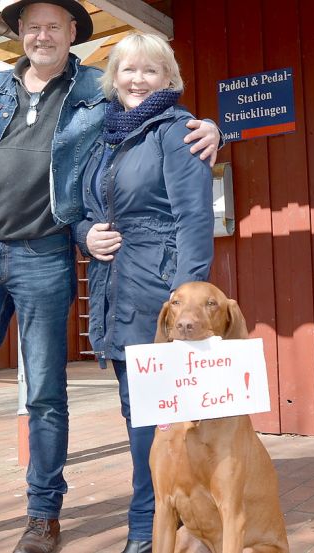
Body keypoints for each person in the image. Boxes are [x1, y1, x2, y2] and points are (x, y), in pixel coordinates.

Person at [0, 1, 221, 551]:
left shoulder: (94, 92)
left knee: (45, 394)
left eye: (53, 26)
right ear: (19, 35)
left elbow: (152, 118)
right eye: (31, 27)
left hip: (43, 258)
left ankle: (43, 514)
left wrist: (215, 129)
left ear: (73, 32)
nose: (41, 35)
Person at [71, 33, 215, 553]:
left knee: (158, 415)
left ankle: (147, 526)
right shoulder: (105, 140)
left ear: (168, 79)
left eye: (150, 70)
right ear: (113, 79)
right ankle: (166, 517)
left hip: (158, 291)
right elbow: (84, 209)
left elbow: (194, 220)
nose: (137, 79)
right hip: (115, 288)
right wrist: (87, 230)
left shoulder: (177, 131)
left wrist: (187, 308)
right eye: (128, 70)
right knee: (139, 413)